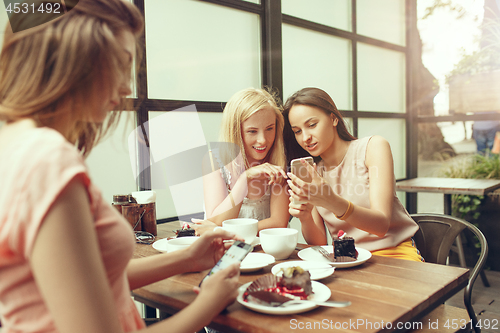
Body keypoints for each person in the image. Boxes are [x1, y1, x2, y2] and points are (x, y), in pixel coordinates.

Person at [0, 1, 240, 332]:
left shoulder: (15, 144)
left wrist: (188, 259)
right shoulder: (47, 159)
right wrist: (209, 302)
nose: (127, 87)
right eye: (120, 64)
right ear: (76, 56)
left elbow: (93, 282)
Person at [283, 87, 422, 261]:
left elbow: (381, 225)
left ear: (333, 119)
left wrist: (332, 201)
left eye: (312, 125)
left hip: (393, 252)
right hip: (346, 259)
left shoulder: (373, 147)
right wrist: (305, 218)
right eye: (297, 131)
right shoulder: (313, 172)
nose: (305, 138)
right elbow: (319, 242)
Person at [201, 88, 290, 231]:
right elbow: (215, 221)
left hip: (266, 250)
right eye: (252, 131)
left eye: (269, 129)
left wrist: (228, 231)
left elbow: (279, 223)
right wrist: (245, 178)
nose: (262, 140)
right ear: (235, 130)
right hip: (225, 251)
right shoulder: (214, 160)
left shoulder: (277, 159)